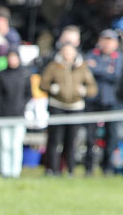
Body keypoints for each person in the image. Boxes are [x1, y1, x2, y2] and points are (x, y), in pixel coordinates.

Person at [40, 43, 97, 175]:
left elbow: (93, 88)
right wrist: (52, 88)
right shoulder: (54, 66)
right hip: (57, 106)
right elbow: (43, 83)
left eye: (70, 51)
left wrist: (83, 90)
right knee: (54, 140)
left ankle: (70, 169)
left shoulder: (82, 67)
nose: (67, 54)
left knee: (71, 141)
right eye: (65, 51)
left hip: (75, 107)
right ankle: (52, 169)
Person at [83, 29, 123, 175]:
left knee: (111, 136)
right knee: (90, 137)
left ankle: (107, 167)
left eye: (110, 40)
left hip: (111, 101)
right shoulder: (91, 54)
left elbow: (116, 75)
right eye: (104, 40)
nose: (107, 43)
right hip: (93, 101)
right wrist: (106, 70)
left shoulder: (119, 57)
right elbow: (88, 71)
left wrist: (97, 68)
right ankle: (88, 167)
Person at [0, 49, 34, 178]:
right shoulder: (2, 75)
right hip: (3, 115)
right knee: (4, 145)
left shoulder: (25, 74)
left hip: (19, 115)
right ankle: (5, 171)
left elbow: (28, 94)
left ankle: (15, 172)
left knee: (16, 145)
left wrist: (22, 107)